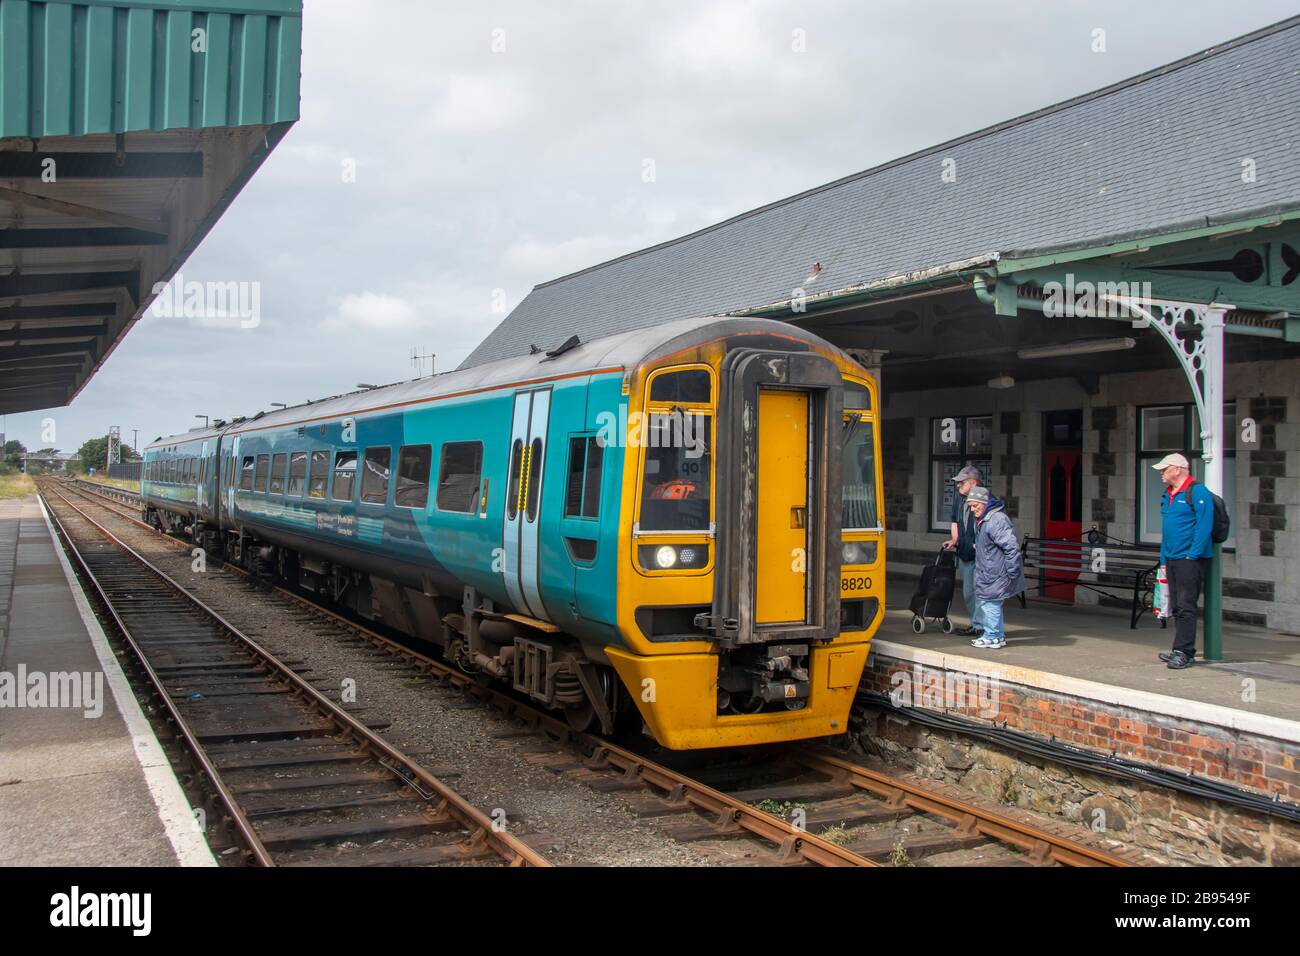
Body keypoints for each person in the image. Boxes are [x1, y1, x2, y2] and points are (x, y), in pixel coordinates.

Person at [1152, 453, 1214, 670]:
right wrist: (1163, 559)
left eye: (1164, 468)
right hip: (1171, 557)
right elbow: (1167, 530)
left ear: (1177, 469)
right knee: (1176, 605)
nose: (1161, 472)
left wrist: (1193, 554)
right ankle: (1179, 648)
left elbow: (1204, 526)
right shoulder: (1168, 494)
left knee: (1186, 604)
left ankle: (1185, 652)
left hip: (1189, 559)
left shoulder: (1197, 491)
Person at [965, 485, 1025, 650]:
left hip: (996, 572)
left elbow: (1011, 547)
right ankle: (995, 635)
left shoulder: (996, 519)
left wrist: (1012, 572)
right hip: (989, 571)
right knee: (988, 603)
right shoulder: (985, 518)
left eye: (975, 506)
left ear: (985, 503)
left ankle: (993, 636)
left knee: (990, 603)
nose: (972, 510)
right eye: (971, 506)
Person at [943, 465, 985, 637]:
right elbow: (954, 520)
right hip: (964, 553)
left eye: (962, 483)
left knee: (980, 592)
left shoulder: (985, 499)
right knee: (969, 592)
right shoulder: (960, 499)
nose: (958, 486)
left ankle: (983, 627)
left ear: (973, 483)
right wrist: (955, 540)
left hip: (980, 555)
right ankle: (977, 625)